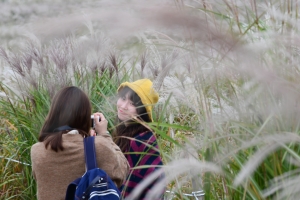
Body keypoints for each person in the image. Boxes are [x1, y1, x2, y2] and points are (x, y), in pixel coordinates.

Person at [30, 86, 129, 200]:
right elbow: (123, 171)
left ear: (54, 114)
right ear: (85, 117)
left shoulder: (37, 151)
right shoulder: (99, 146)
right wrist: (104, 135)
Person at [113, 79, 164, 199]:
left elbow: (125, 187)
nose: (123, 106)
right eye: (123, 99)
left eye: (132, 104)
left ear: (143, 112)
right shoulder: (124, 131)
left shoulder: (141, 141)